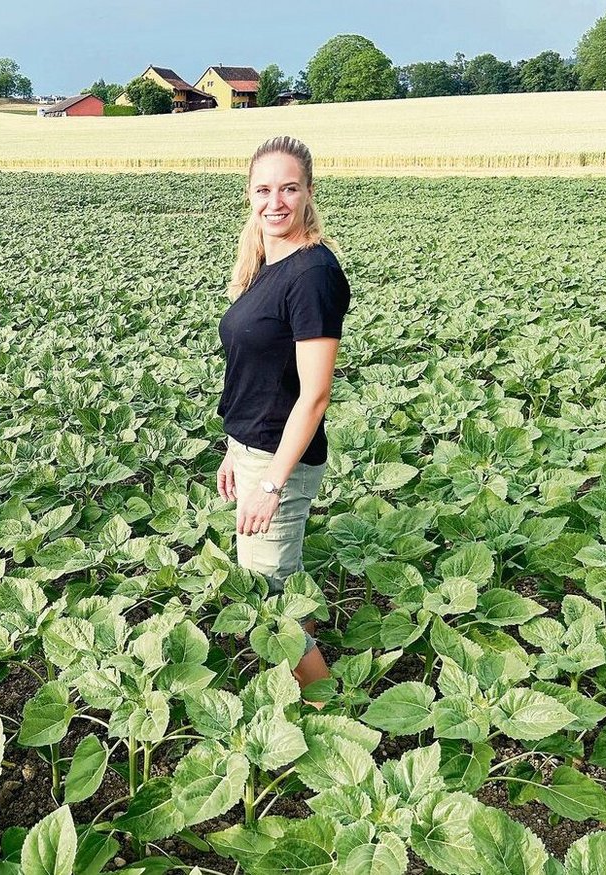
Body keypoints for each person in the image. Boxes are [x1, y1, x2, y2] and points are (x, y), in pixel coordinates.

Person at [216, 136, 350, 691]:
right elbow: (258, 374)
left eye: (289, 189)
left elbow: (314, 395)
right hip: (256, 451)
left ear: (308, 193)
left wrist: (270, 484)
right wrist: (234, 448)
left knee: (270, 606)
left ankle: (327, 714)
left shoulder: (312, 274)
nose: (276, 202)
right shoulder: (267, 264)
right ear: (249, 195)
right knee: (282, 579)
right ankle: (314, 686)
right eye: (264, 190)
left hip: (280, 462)